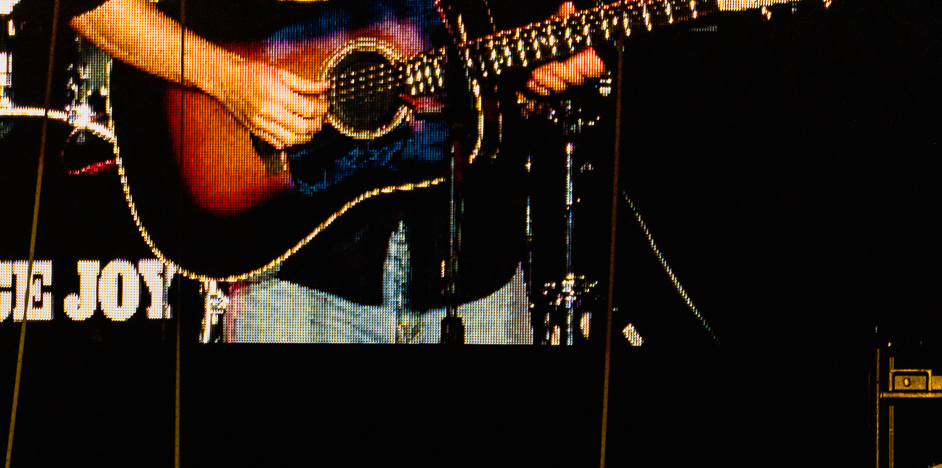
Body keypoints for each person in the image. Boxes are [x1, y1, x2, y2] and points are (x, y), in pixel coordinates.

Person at [68, 0, 604, 343]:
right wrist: (228, 79)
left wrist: (537, 70)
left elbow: (503, 46)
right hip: (301, 285)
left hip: (480, 281)